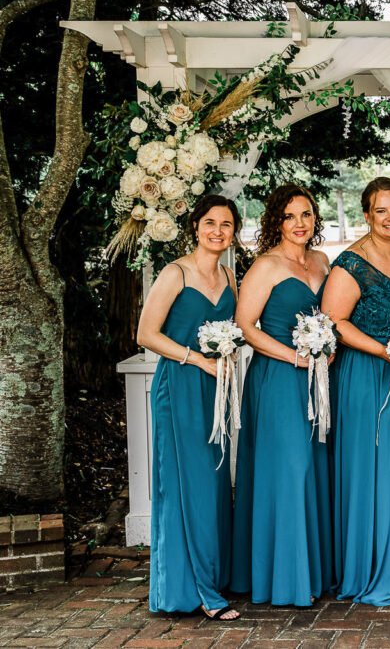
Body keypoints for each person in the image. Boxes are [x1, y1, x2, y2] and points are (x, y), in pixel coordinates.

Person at [322, 177, 390, 606]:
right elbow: (336, 322)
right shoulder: (351, 262)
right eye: (381, 210)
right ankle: (371, 568)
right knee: (376, 470)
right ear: (367, 215)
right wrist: (387, 351)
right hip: (370, 376)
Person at [230, 184, 333, 607]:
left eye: (306, 215)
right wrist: (295, 358)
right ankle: (284, 578)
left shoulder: (323, 262)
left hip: (320, 379)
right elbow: (245, 326)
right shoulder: (265, 266)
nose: (299, 224)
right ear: (276, 220)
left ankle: (315, 572)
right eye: (290, 216)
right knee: (290, 469)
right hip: (277, 378)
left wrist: (326, 348)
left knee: (315, 466)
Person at [139, 195, 241, 619]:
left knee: (214, 483)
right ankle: (195, 590)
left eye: (227, 225)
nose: (218, 231)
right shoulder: (175, 273)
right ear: (195, 226)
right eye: (210, 223)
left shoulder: (231, 277)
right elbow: (145, 334)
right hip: (180, 384)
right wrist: (197, 359)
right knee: (186, 482)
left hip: (217, 389)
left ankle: (208, 578)